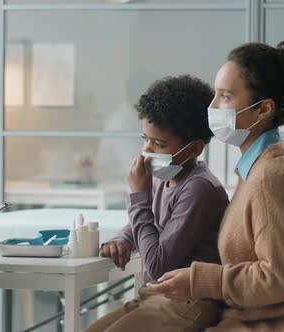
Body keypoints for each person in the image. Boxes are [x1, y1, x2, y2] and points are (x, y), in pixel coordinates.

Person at [148, 41, 284, 331]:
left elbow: (283, 279)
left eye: (225, 97)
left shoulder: (270, 178)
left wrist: (203, 281)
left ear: (263, 110)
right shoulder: (259, 163)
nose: (212, 107)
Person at [85, 75, 229, 332]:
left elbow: (157, 265)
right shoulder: (165, 176)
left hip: (189, 301)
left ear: (194, 149)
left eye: (159, 144)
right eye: (145, 139)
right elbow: (144, 222)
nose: (147, 152)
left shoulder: (199, 188)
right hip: (154, 296)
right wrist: (123, 239)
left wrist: (138, 194)